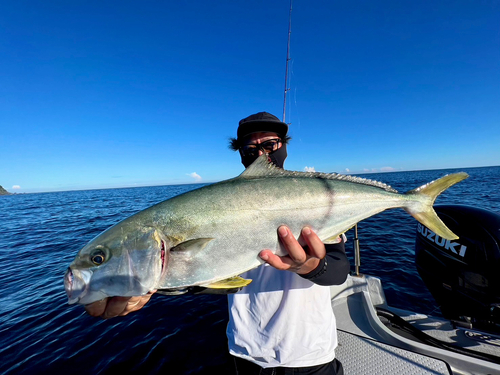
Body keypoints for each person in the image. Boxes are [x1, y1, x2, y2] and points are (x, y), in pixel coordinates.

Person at [85, 111, 350, 375]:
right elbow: (205, 275)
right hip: (245, 352)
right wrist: (155, 284)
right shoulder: (218, 205)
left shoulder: (318, 197)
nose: (261, 154)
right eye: (250, 147)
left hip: (310, 354)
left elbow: (338, 271)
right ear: (241, 152)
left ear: (283, 146)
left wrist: (312, 267)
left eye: (269, 145)